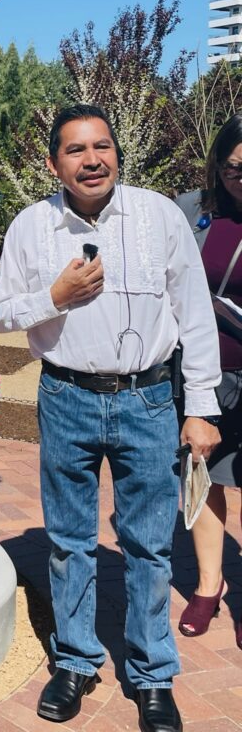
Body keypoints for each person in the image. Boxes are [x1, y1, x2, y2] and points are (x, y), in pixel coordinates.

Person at [0, 104, 221, 732]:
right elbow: (0, 315)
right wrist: (52, 299)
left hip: (148, 401)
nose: (92, 160)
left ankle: (150, 675)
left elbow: (194, 316)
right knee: (67, 542)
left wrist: (200, 407)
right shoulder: (31, 228)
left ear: (116, 152)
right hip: (67, 398)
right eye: (76, 150)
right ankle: (76, 661)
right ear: (53, 163)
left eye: (102, 147)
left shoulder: (160, 216)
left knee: (148, 547)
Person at [176, 112, 242, 645]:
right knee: (202, 474)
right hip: (205, 373)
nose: (240, 177)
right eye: (233, 167)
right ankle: (208, 585)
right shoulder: (193, 210)